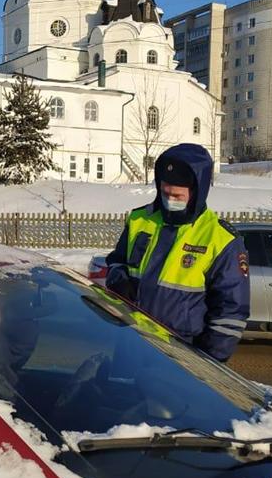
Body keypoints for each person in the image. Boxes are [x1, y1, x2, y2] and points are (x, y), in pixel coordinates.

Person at [105, 144, 250, 363]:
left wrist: (207, 364)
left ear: (196, 193)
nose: (170, 199)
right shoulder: (139, 219)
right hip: (131, 340)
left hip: (181, 353)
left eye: (177, 195)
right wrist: (119, 279)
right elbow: (116, 262)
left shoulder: (220, 239)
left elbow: (231, 311)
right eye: (165, 192)